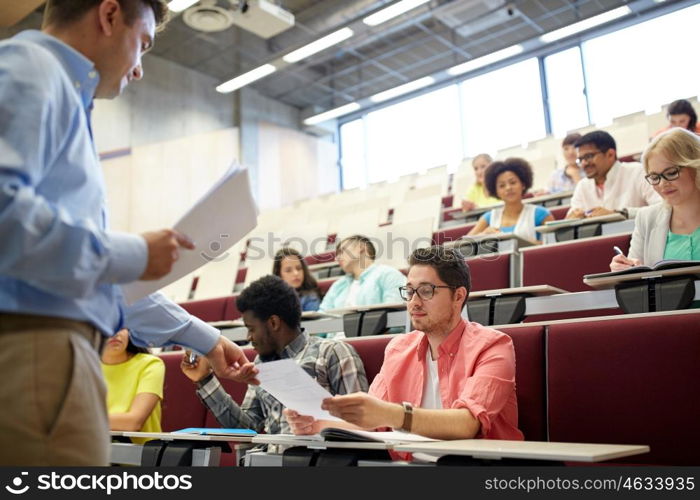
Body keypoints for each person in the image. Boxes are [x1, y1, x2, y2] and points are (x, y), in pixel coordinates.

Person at [0, 0, 256, 466]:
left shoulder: (60, 92)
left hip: (53, 349)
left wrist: (209, 340)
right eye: (143, 44)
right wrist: (130, 251)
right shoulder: (32, 69)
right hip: (34, 349)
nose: (138, 69)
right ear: (109, 15)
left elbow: (95, 273)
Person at [285, 246, 524, 444]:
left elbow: (467, 424)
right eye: (409, 292)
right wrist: (314, 423)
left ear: (458, 296)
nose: (414, 302)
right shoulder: (398, 349)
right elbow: (374, 421)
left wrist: (392, 414)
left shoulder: (494, 346)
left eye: (426, 291)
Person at [180, 275, 368, 437]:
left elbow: (365, 425)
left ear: (273, 323)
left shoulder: (333, 352)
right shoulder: (261, 363)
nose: (248, 338)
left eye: (251, 329)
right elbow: (247, 427)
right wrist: (205, 380)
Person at [611, 128, 700, 270]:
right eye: (654, 177)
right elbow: (635, 280)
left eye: (671, 173)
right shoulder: (647, 219)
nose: (662, 184)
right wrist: (623, 271)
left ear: (696, 167)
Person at [566, 130, 661, 220]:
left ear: (610, 154)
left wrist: (620, 214)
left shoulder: (638, 172)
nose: (584, 163)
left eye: (588, 156)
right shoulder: (583, 186)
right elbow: (571, 216)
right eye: (580, 159)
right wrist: (572, 218)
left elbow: (662, 208)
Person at [467, 158, 553, 244]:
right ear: (496, 191)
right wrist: (483, 235)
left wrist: (522, 242)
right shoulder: (489, 217)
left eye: (513, 182)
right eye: (502, 185)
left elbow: (555, 245)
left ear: (522, 184)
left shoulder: (541, 213)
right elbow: (462, 245)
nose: (508, 188)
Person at [101, 328, 164, 444]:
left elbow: (133, 422)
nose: (115, 333)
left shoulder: (151, 364)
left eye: (121, 326)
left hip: (140, 456)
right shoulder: (85, 368)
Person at [319, 235, 406, 310]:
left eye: (341, 251)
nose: (336, 258)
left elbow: (395, 315)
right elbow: (322, 316)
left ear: (361, 248)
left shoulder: (388, 275)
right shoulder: (338, 285)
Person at [272, 247, 322, 311]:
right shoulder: (272, 298)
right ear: (279, 275)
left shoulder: (310, 298)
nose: (296, 273)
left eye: (299, 268)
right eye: (288, 270)